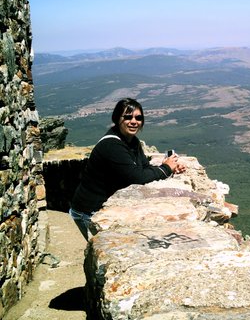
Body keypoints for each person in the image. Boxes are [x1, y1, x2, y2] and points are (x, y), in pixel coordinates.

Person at [70, 98, 186, 240]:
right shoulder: (112, 145)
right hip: (89, 211)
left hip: (100, 207)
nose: (133, 121)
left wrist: (169, 167)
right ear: (117, 119)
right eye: (128, 117)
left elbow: (144, 168)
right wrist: (166, 168)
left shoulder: (132, 142)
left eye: (138, 118)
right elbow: (137, 177)